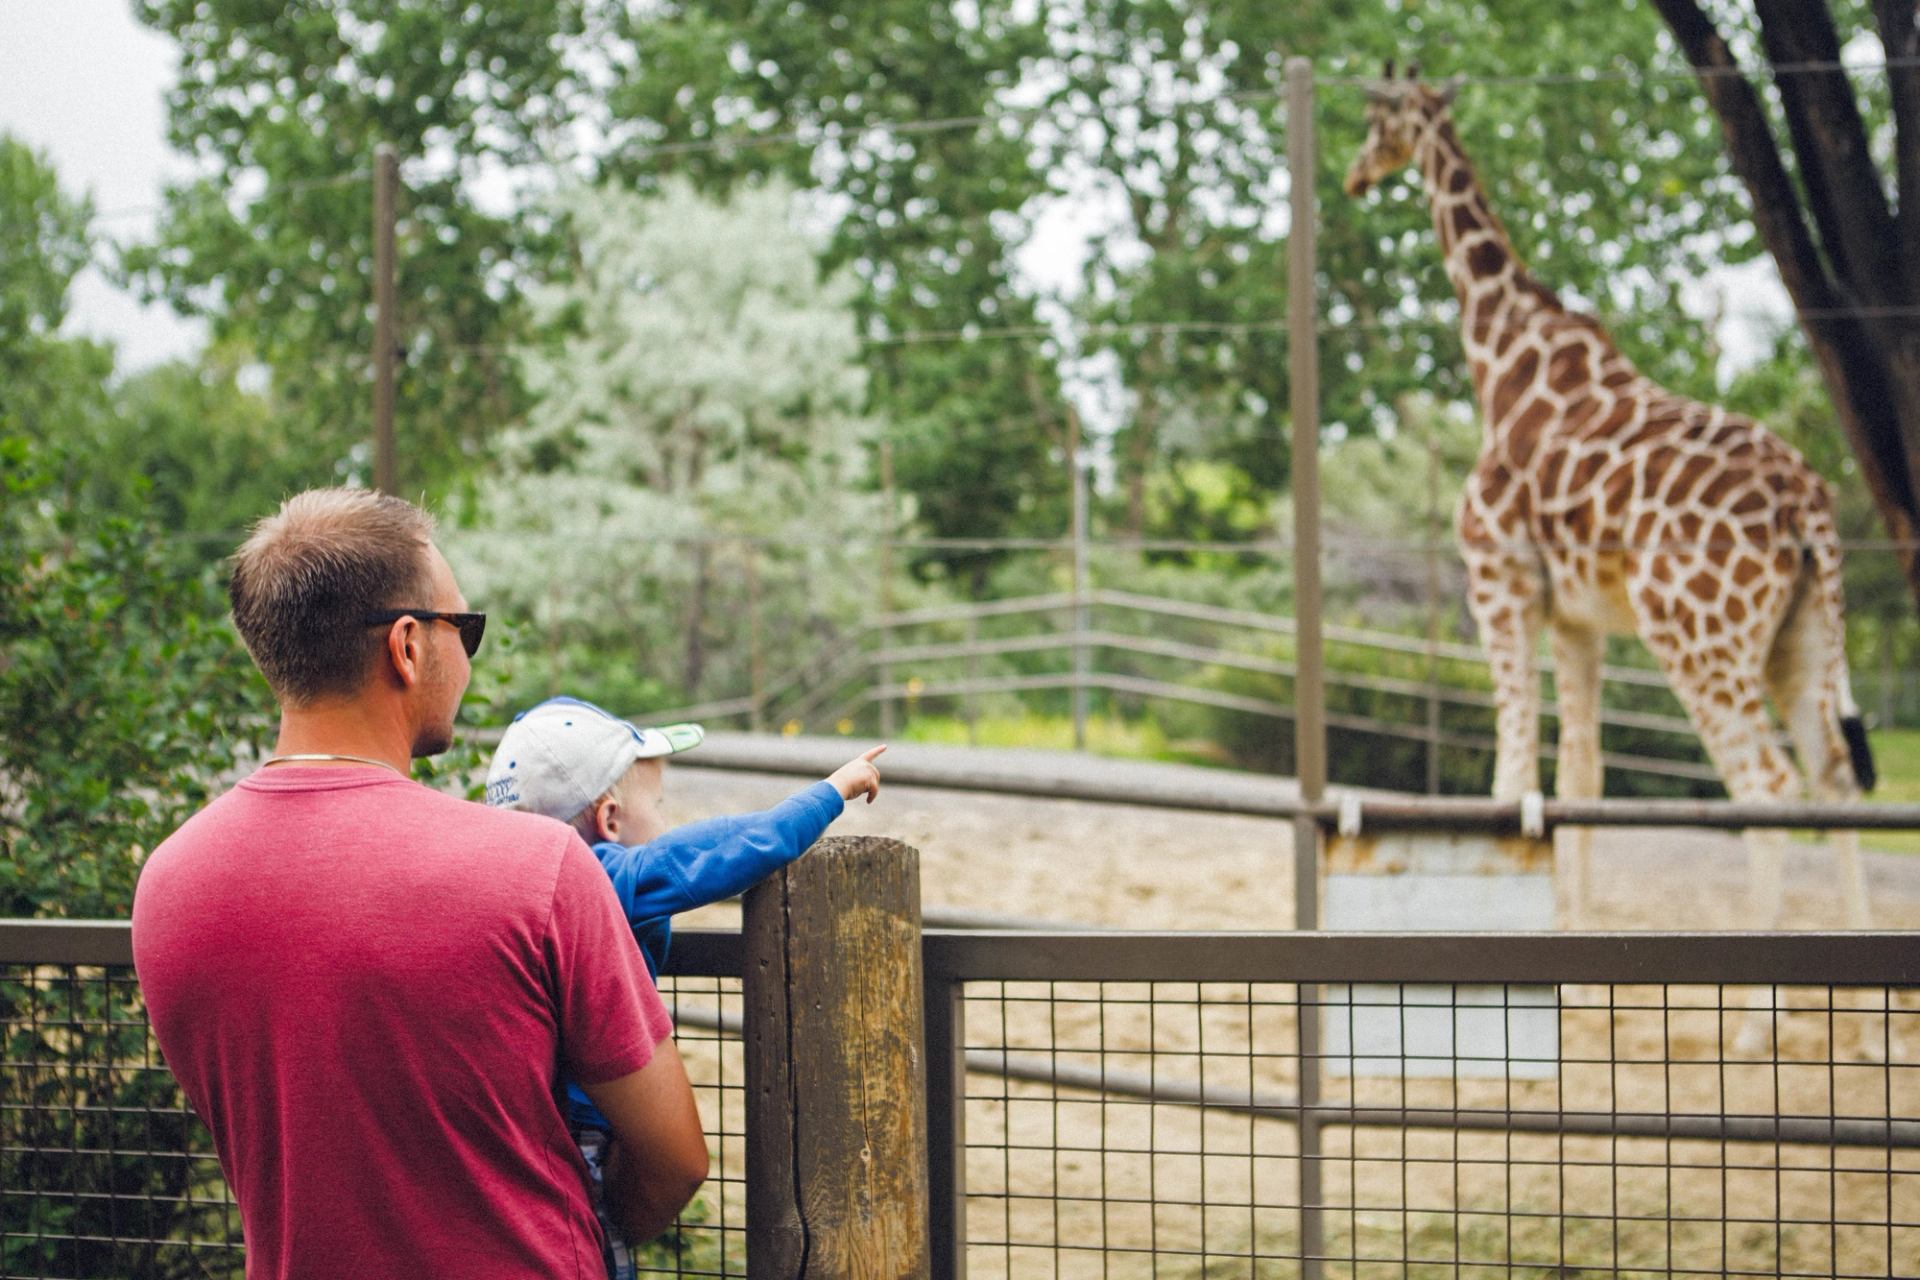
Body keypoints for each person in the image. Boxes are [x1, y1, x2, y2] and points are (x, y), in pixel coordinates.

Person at [131, 488, 707, 1280]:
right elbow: (676, 1158)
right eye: (463, 628)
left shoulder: (169, 883)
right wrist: (598, 1227)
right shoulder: (539, 871)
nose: (469, 654)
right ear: (406, 646)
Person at [483, 697, 884, 1278]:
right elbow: (715, 852)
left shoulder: (501, 884)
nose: (664, 823)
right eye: (659, 806)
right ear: (611, 821)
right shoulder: (603, 873)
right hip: (584, 1135)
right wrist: (827, 794)